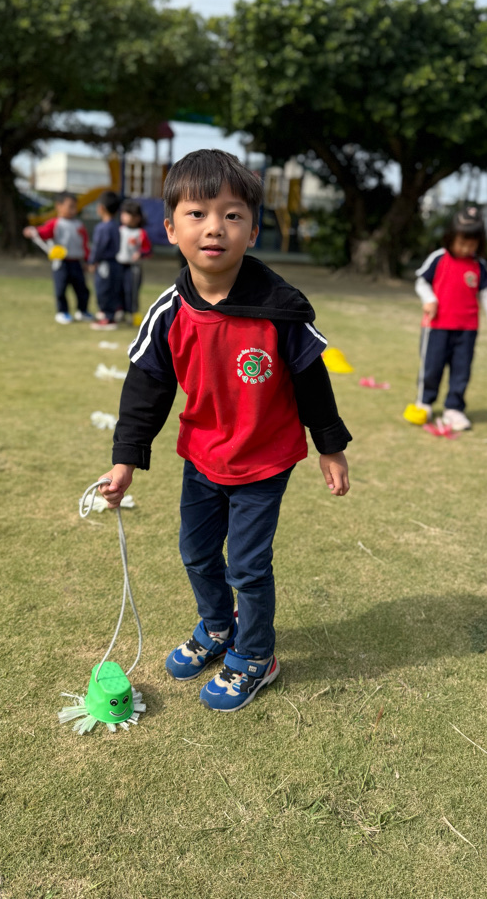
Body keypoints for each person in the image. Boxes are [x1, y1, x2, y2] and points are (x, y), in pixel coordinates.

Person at [99, 149, 351, 712]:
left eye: (232, 215)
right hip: (203, 457)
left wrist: (329, 447)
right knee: (195, 553)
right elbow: (146, 389)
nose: (214, 227)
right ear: (170, 228)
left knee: (248, 565)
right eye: (197, 214)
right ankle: (217, 625)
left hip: (265, 460)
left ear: (253, 231)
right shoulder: (169, 312)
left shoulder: (280, 308)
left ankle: (257, 655)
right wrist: (125, 459)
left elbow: (312, 379)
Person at [414, 209, 487, 430]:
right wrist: (429, 299)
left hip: (466, 329)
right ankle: (424, 402)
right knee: (431, 367)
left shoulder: (479, 265)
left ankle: (454, 408)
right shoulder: (438, 258)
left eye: (472, 244)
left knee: (461, 371)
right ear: (450, 238)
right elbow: (421, 281)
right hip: (436, 326)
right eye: (461, 243)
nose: (466, 249)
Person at [23, 192, 93, 325]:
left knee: (82, 289)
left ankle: (82, 311)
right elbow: (44, 232)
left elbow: (84, 244)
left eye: (75, 207)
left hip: (77, 262)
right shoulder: (55, 223)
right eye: (70, 206)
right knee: (61, 288)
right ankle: (62, 312)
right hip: (61, 263)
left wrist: (88, 260)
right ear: (59, 206)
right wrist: (33, 232)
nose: (73, 210)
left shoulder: (79, 225)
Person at [88, 190, 121, 329]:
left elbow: (98, 247)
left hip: (105, 263)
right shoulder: (116, 226)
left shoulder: (102, 227)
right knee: (112, 287)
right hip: (115, 263)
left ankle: (108, 318)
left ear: (101, 208)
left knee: (103, 288)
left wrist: (92, 261)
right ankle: (112, 312)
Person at [116, 200, 151, 322]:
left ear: (137, 218)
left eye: (127, 214)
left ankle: (133, 313)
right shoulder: (119, 230)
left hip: (133, 267)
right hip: (119, 265)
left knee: (132, 290)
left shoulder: (140, 233)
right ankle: (119, 311)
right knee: (118, 289)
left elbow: (148, 249)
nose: (123, 216)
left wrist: (140, 253)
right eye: (123, 213)